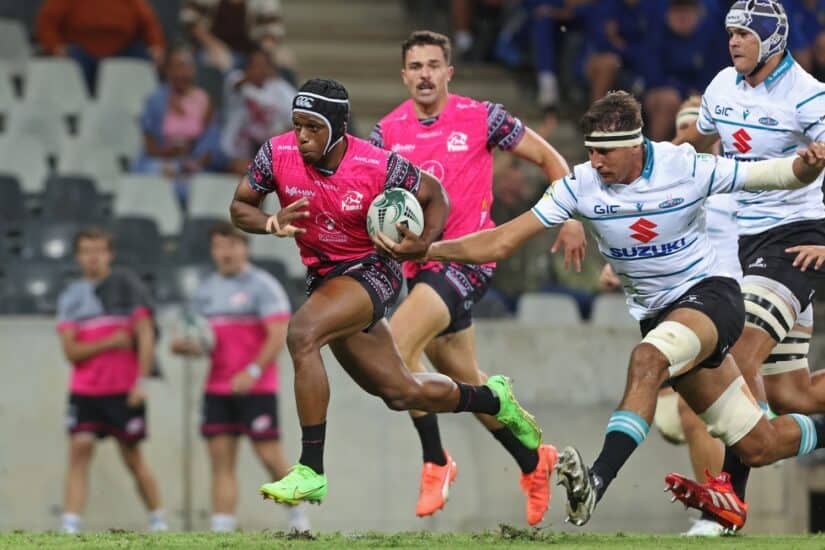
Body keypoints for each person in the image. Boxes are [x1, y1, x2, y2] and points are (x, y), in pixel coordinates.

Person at [382, 90, 825, 531]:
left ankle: (596, 480)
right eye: (591, 151)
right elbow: (500, 241)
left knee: (647, 359)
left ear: (635, 145)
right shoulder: (581, 184)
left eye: (605, 152)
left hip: (711, 298)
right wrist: (429, 249)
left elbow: (777, 174)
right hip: (660, 317)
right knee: (759, 445)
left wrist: (808, 164)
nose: (595, 162)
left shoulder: (683, 166)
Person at [229, 78, 543, 508]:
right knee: (400, 392)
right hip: (325, 280)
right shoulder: (276, 153)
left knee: (302, 334)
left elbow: (435, 195)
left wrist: (423, 243)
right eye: (298, 125)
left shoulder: (375, 163)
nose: (302, 136)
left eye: (313, 127)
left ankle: (311, 470)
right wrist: (269, 222)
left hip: (371, 271)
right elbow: (240, 206)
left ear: (338, 128)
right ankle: (493, 398)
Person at [369, 30, 584, 524]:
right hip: (420, 267)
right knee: (467, 384)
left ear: (449, 72)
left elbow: (550, 158)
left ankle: (435, 460)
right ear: (404, 76)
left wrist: (570, 215)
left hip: (468, 260)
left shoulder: (482, 117)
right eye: (416, 66)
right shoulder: (386, 133)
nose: (425, 74)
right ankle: (534, 462)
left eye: (433, 65)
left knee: (394, 348)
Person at [673, 0, 825, 531]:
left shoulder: (808, 95)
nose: (734, 41)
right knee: (792, 394)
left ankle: (726, 500)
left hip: (797, 241)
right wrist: (651, 164)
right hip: (749, 243)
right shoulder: (721, 86)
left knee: (736, 352)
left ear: (772, 40)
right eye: (731, 32)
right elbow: (698, 140)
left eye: (744, 33)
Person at [169, 221, 309, 532]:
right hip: (218, 388)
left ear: (245, 248)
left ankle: (298, 517)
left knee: (268, 455)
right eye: (219, 246)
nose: (225, 252)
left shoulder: (263, 286)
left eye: (231, 245)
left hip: (257, 387)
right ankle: (222, 528)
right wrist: (186, 346)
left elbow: (277, 334)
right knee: (221, 461)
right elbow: (200, 337)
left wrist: (253, 371)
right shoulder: (205, 291)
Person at [56, 227, 166, 533]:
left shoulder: (127, 287)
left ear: (110, 254)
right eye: (86, 251)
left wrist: (141, 382)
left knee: (133, 457)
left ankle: (158, 520)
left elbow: (145, 335)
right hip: (86, 391)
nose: (93, 257)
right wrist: (110, 341)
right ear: (78, 256)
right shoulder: (70, 297)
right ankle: (70, 524)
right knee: (80, 449)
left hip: (124, 390)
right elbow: (71, 351)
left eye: (99, 250)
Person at [133, 45, 219, 209]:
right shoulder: (155, 101)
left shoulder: (204, 100)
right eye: (178, 67)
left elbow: (210, 146)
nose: (183, 73)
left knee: (201, 186)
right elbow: (150, 147)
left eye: (188, 67)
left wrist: (191, 164)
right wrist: (170, 155)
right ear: (168, 71)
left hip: (192, 165)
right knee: (157, 175)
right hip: (158, 162)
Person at [36, 0, 165, 94]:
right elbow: (47, 22)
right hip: (81, 50)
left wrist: (156, 46)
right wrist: (55, 47)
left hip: (121, 50)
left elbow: (149, 23)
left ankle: (149, 111)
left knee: (143, 58)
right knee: (72, 60)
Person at [221, 47, 296, 175]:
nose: (260, 69)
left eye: (263, 65)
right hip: (237, 150)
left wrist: (280, 137)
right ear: (248, 66)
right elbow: (236, 85)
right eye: (255, 65)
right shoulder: (237, 79)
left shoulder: (277, 86)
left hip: (267, 149)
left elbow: (297, 114)